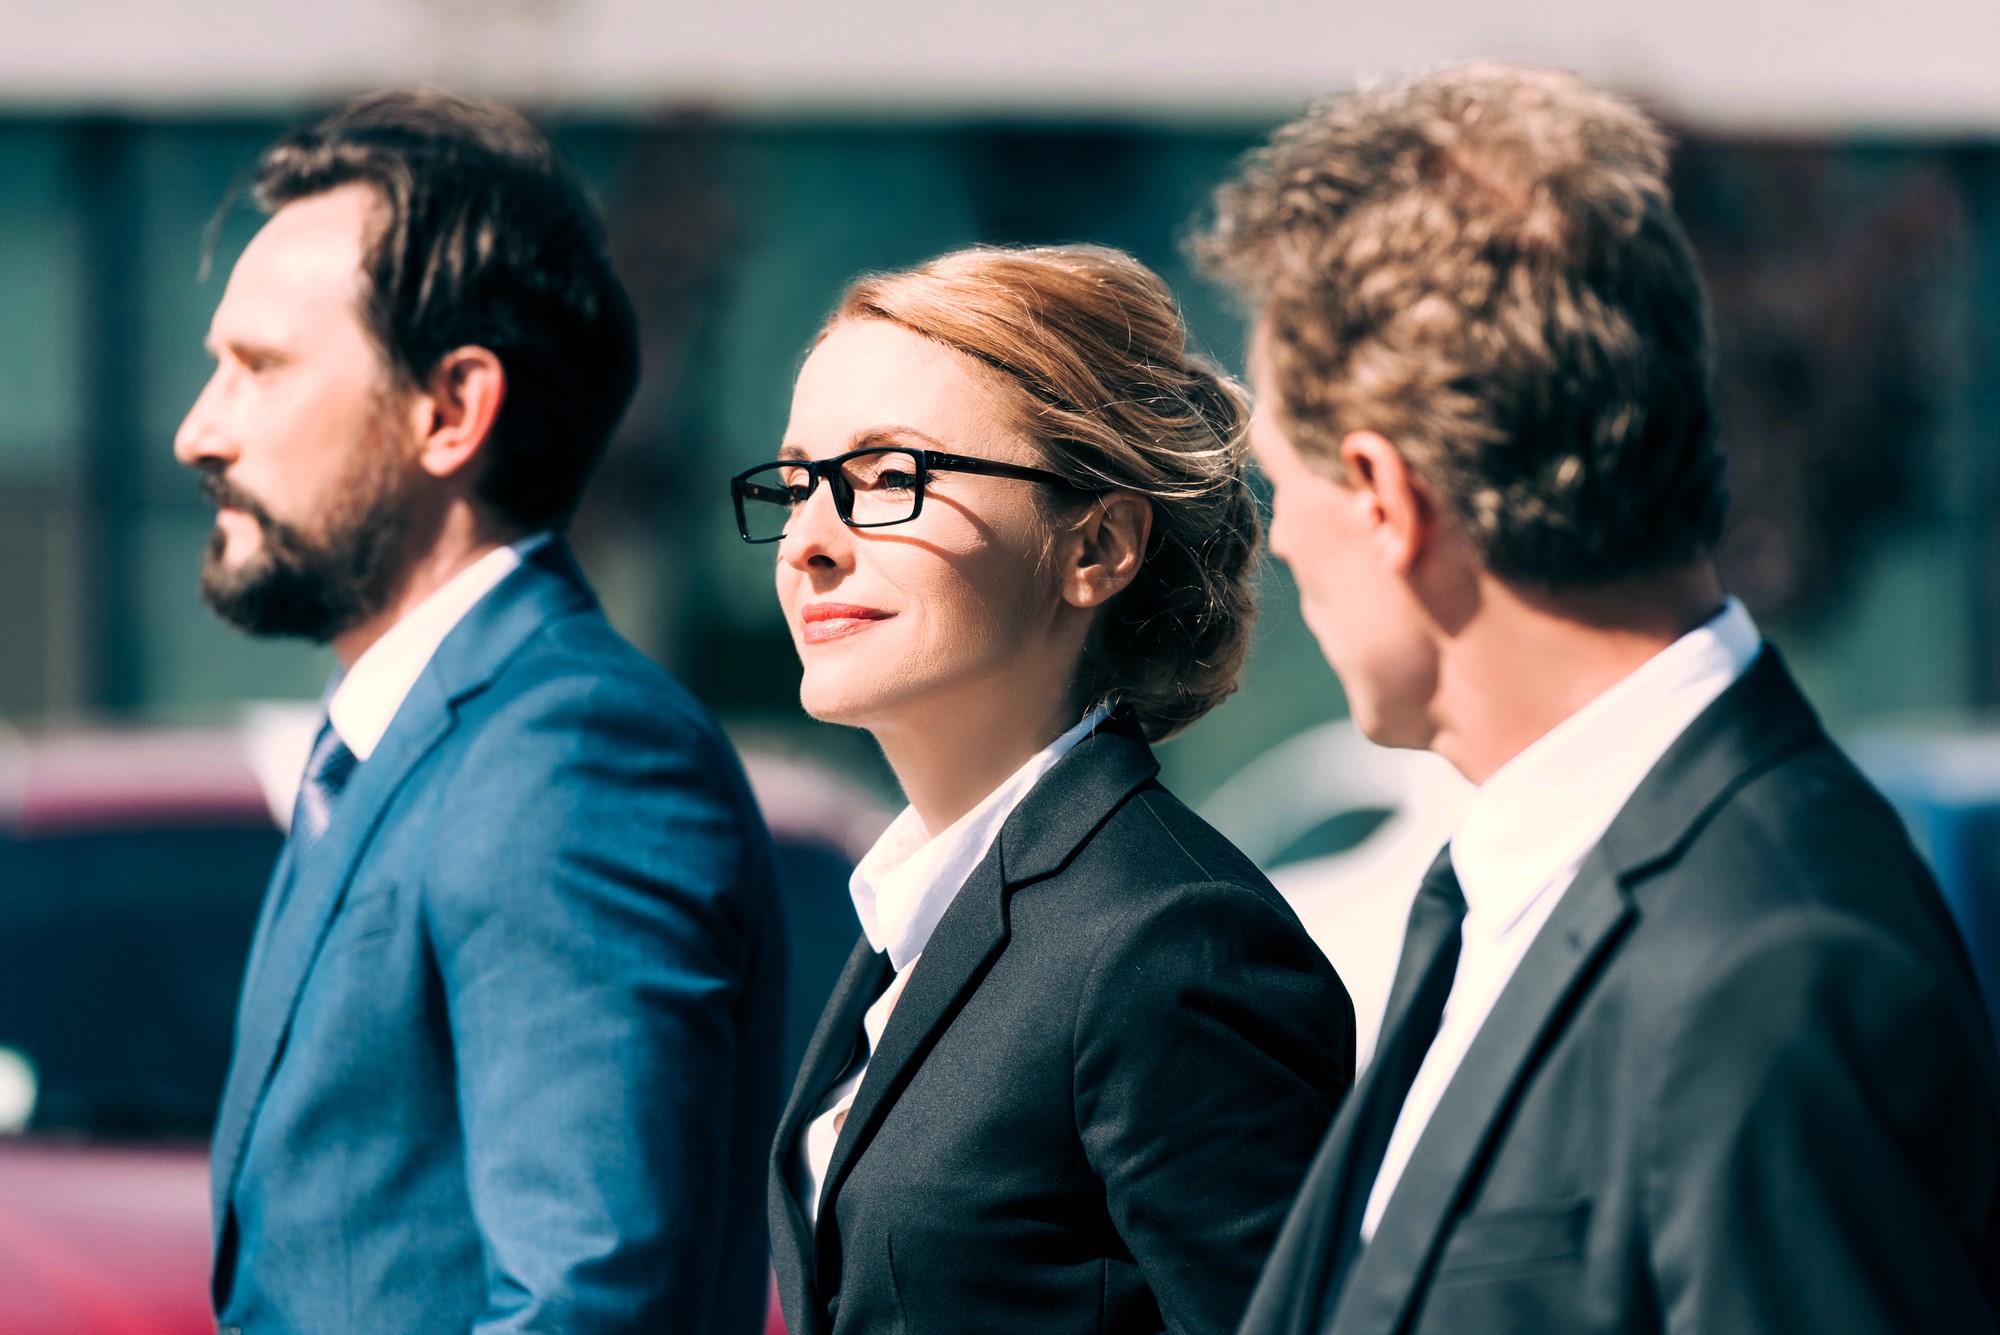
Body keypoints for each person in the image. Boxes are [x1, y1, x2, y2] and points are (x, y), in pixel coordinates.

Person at [1195, 62, 2000, 1335]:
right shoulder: (1507, 887)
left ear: (1383, 496)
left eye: (1273, 481)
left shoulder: (1772, 971)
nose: (1277, 538)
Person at [181, 91, 785, 1334]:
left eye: (259, 369)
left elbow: (594, 1305)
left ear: (450, 409)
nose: (202, 432)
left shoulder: (571, 760)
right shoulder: (400, 746)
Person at [744, 245, 1355, 1335]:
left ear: (1097, 545)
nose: (808, 543)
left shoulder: (1171, 939)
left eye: (889, 477)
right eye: (795, 484)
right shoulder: (911, 918)